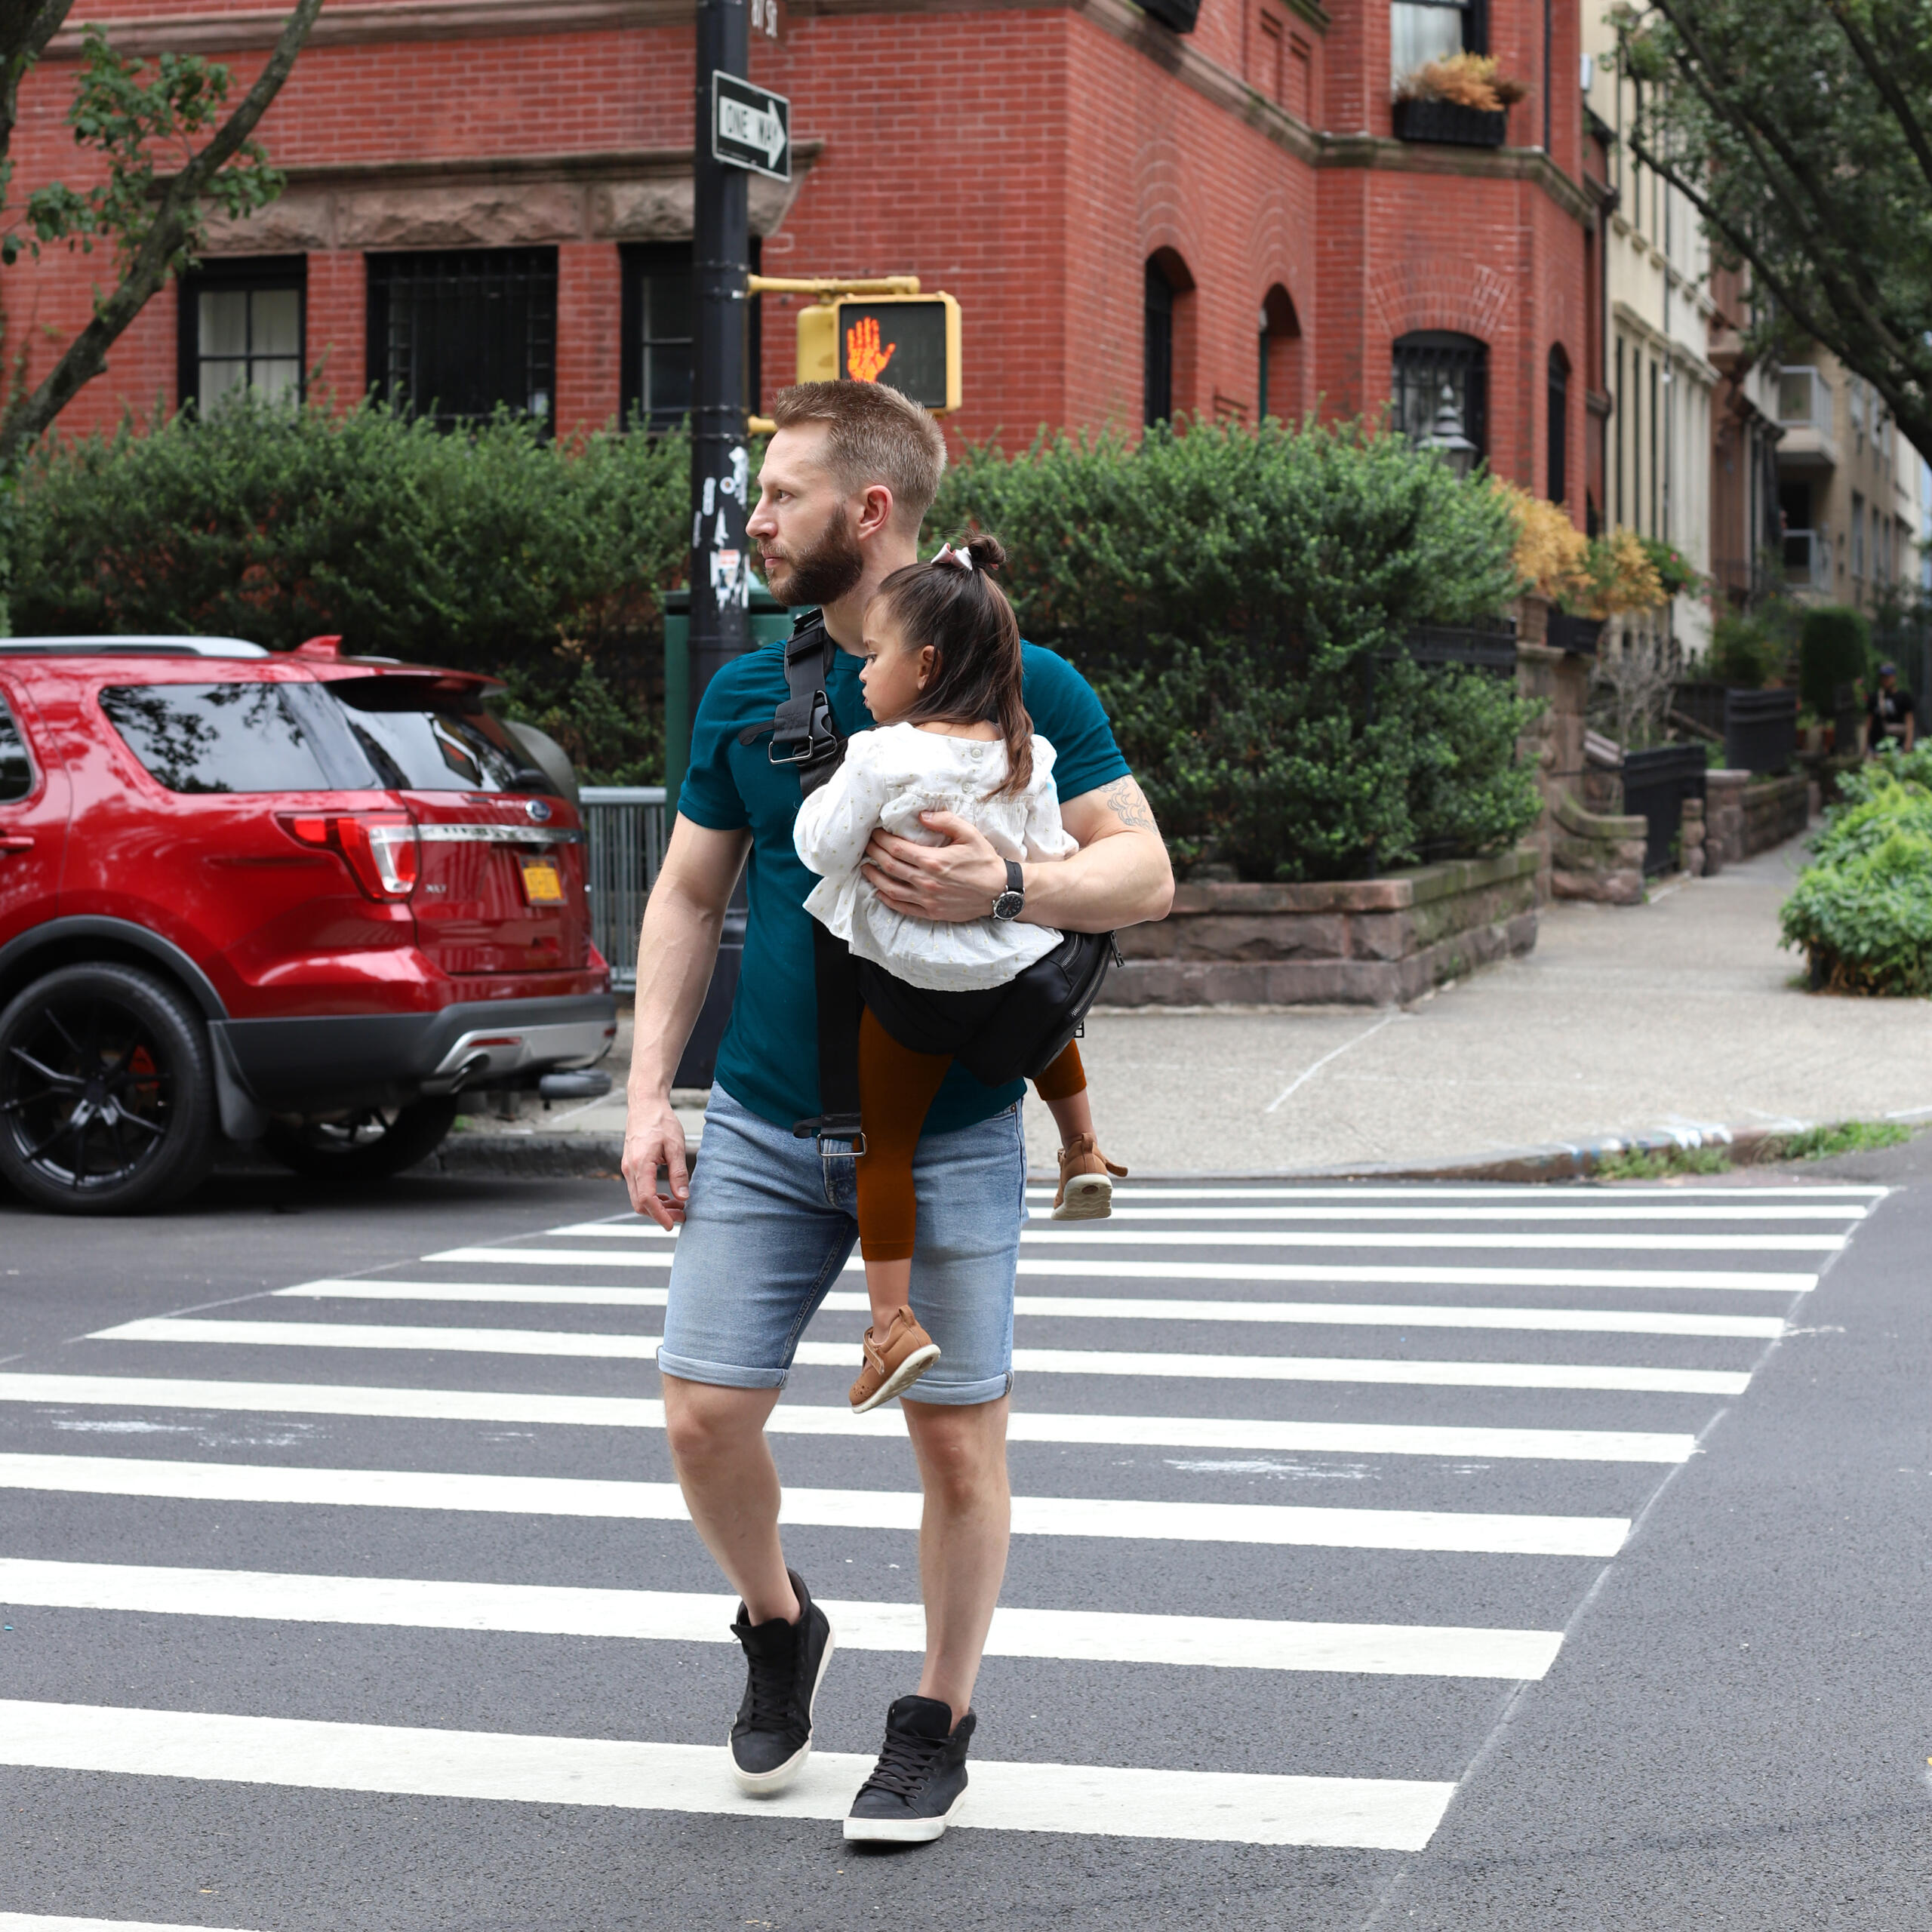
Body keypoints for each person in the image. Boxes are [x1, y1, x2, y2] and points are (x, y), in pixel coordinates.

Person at [620, 377, 1173, 1845]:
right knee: (700, 1414)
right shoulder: (746, 691)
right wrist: (643, 1093)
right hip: (754, 1120)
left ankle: (934, 1719)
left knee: (952, 1444)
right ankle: (776, 1619)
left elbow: (1142, 872)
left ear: (866, 513)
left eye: (778, 493)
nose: (753, 519)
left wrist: (1010, 884)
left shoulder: (1026, 680)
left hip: (944, 1127)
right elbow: (686, 892)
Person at [791, 533, 1128, 1415]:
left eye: (873, 655)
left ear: (925, 664)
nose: (859, 672)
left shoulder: (880, 754)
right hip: (1009, 967)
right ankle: (1080, 1146)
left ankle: (891, 1324)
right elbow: (1054, 852)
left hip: (915, 990)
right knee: (1044, 1008)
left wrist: (838, 812)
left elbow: (821, 851)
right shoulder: (1028, 751)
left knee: (883, 1145)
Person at [1867, 661, 1917, 754]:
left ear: (1894, 677)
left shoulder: (1903, 697)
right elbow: (1869, 722)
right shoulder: (1874, 697)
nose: (1885, 680)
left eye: (1887, 677)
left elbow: (1910, 721)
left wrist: (1908, 744)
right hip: (1876, 747)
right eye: (1882, 677)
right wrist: (1865, 746)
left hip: (1898, 747)